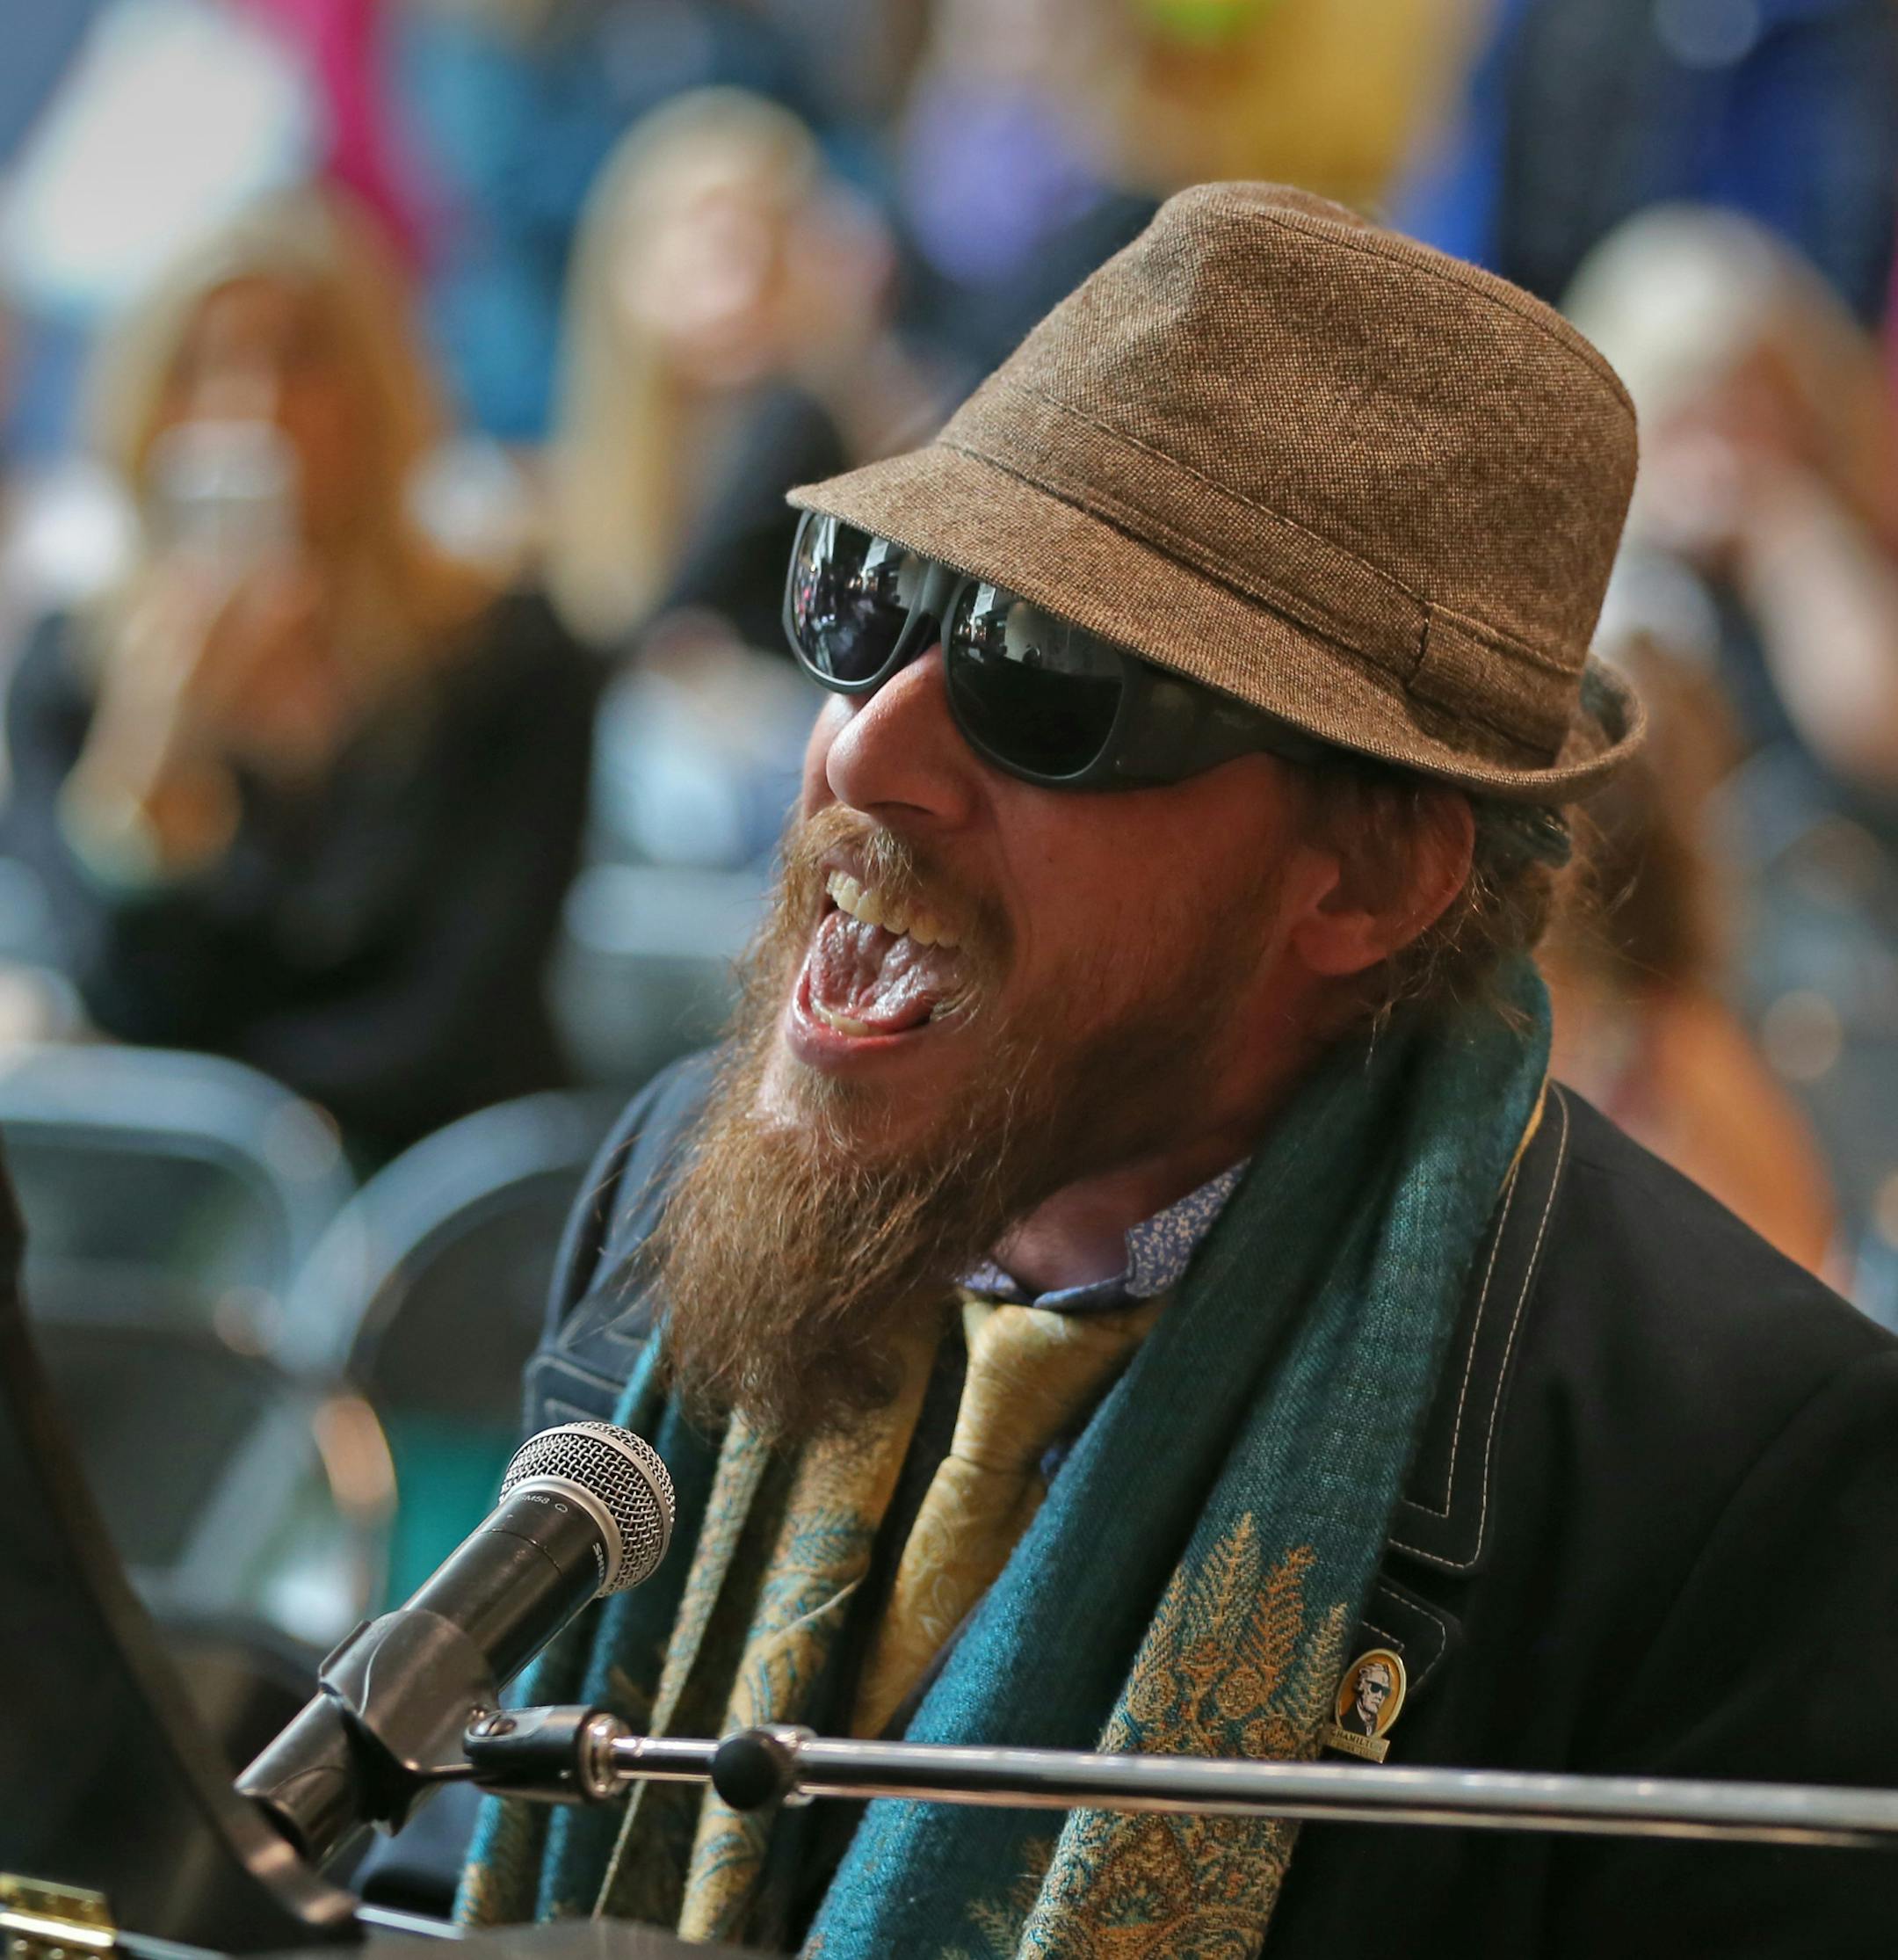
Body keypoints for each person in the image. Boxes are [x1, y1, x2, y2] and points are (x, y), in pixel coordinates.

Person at [457, 186, 1898, 1955]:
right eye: (868, 603)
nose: (866, 749)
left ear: (1364, 878)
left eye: (1048, 680)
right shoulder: (681, 1166)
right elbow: (453, 1856)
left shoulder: (1740, 1469)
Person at [2, 189, 598, 1158]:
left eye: (298, 358)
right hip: (178, 1191)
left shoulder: (510, 658)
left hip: (429, 1190)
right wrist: (155, 747)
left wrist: (251, 1132)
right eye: (200, 368)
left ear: (378, 390)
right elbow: (113, 994)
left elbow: (461, 1012)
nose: (251, 407)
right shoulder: (70, 672)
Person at [543, 88, 931, 655]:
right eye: (713, 244)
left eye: (770, 240)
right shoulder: (596, 484)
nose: (744, 279)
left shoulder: (824, 429)